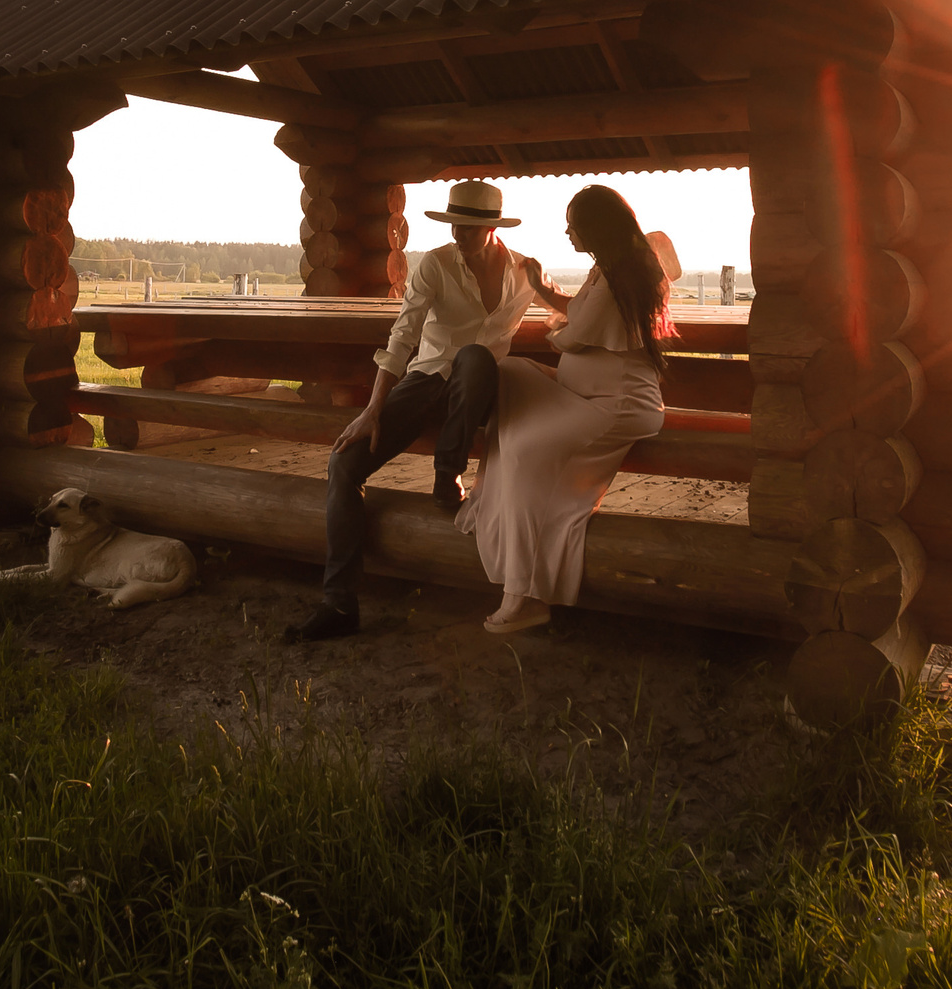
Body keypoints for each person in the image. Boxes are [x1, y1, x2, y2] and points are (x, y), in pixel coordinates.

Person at [284, 179, 546, 644]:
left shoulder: (526, 271)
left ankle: (448, 472)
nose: (457, 234)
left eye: (467, 227)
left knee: (475, 357)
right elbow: (403, 335)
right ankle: (339, 603)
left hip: (481, 392)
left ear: (492, 228)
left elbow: (567, 310)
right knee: (343, 463)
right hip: (428, 380)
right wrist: (373, 409)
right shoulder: (435, 265)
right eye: (453, 225)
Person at [459, 186, 676, 634]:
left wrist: (556, 324)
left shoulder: (621, 276)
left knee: (523, 450)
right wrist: (543, 289)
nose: (567, 232)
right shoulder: (610, 269)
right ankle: (496, 507)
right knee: (510, 372)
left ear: (597, 228)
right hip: (581, 393)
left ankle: (524, 593)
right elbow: (580, 312)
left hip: (614, 406)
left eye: (573, 225)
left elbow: (572, 335)